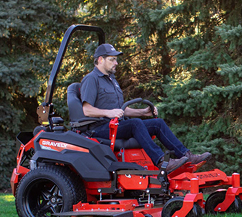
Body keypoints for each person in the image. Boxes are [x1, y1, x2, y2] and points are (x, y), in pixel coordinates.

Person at [75, 43, 211, 173]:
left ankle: (187, 156)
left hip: (117, 125)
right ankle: (162, 161)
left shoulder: (112, 80)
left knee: (157, 123)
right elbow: (87, 110)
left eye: (116, 59)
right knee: (135, 124)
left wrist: (144, 113)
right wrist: (109, 113)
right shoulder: (91, 79)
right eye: (112, 59)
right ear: (100, 60)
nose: (116, 63)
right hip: (100, 128)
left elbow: (120, 110)